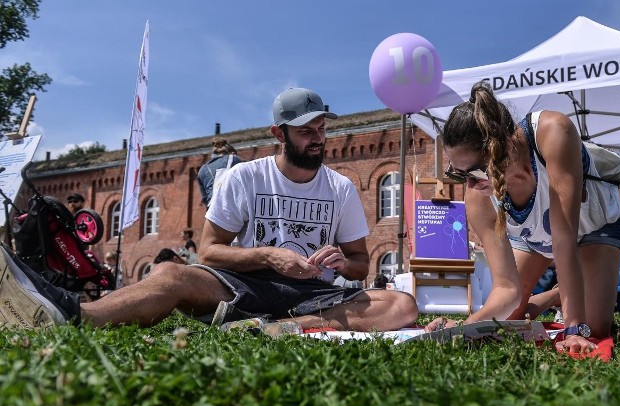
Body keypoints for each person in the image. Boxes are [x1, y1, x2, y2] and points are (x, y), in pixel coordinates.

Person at [0, 87, 418, 332]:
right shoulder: (245, 177)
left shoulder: (340, 188)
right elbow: (210, 251)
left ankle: (278, 330)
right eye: (306, 130)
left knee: (402, 305)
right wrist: (267, 256)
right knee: (171, 274)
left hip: (316, 295)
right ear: (279, 133)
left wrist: (341, 261)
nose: (317, 139)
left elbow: (361, 264)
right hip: (246, 284)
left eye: (321, 130)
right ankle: (75, 312)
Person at [423, 81, 620, 356]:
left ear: (502, 146)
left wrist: (574, 327)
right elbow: (506, 288)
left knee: (596, 326)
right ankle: (559, 292)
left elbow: (564, 238)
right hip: (537, 239)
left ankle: (565, 292)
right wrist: (464, 329)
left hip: (595, 224)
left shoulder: (553, 131)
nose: (470, 185)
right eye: (459, 174)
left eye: (475, 172)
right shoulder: (478, 195)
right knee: (510, 317)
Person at [197, 137, 243, 208]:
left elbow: (205, 198)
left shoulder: (202, 169)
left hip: (212, 212)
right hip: (231, 208)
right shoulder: (234, 159)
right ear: (232, 153)